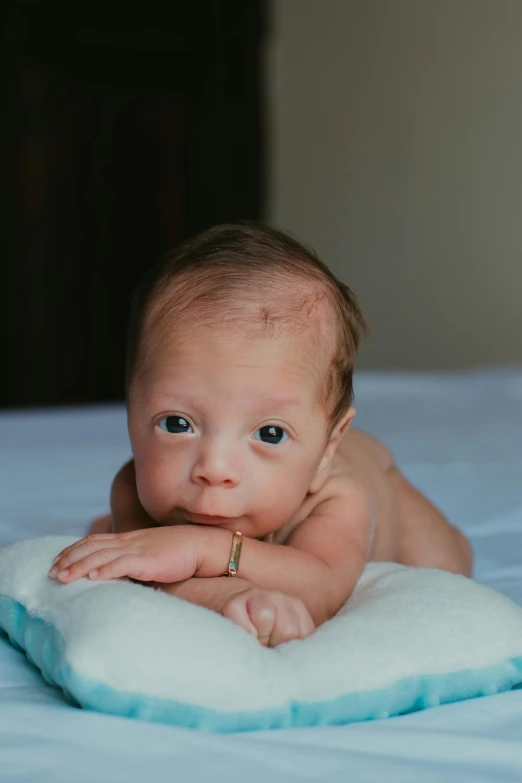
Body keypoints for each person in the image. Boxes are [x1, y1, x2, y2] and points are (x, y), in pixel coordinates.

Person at [49, 222, 472, 647]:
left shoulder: (336, 499)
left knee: (445, 566)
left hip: (380, 480)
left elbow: (321, 590)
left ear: (327, 448)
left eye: (270, 433)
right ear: (131, 417)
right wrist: (230, 595)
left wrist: (201, 551)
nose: (214, 468)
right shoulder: (134, 487)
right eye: (177, 424)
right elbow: (151, 580)